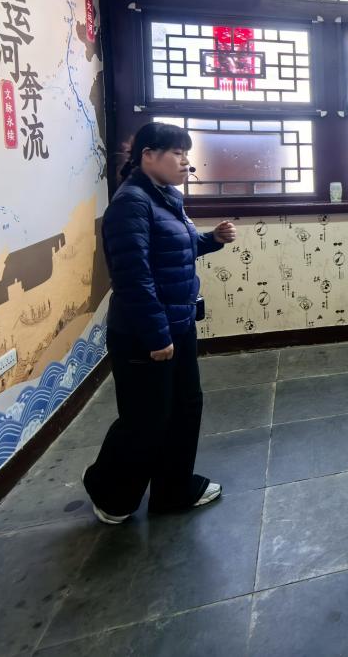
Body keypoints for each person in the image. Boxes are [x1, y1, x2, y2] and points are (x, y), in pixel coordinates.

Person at [83, 122, 236, 525]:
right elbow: (133, 277)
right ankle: (108, 493)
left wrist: (213, 239)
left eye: (187, 153)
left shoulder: (165, 197)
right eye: (177, 153)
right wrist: (156, 335)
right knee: (146, 419)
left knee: (185, 407)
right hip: (144, 333)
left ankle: (173, 490)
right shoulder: (130, 204)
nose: (186, 162)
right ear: (148, 156)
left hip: (177, 324)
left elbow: (175, 249)